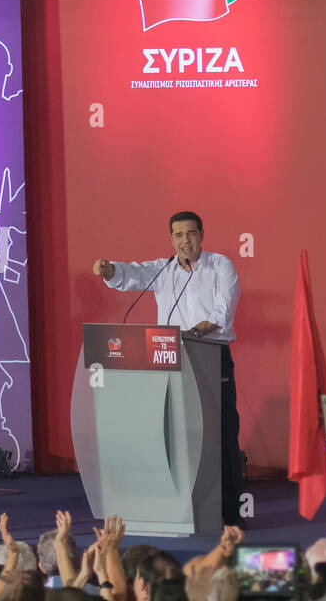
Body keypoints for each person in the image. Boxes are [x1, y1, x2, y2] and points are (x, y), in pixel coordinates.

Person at [94, 211, 244, 526]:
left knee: (221, 433)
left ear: (202, 235)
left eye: (190, 234)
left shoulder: (220, 266)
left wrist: (198, 331)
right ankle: (181, 507)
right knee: (177, 435)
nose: (185, 241)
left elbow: (223, 308)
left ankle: (230, 513)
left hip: (211, 356)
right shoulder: (164, 269)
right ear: (171, 239)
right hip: (172, 362)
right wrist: (109, 271)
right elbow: (132, 274)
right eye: (178, 235)